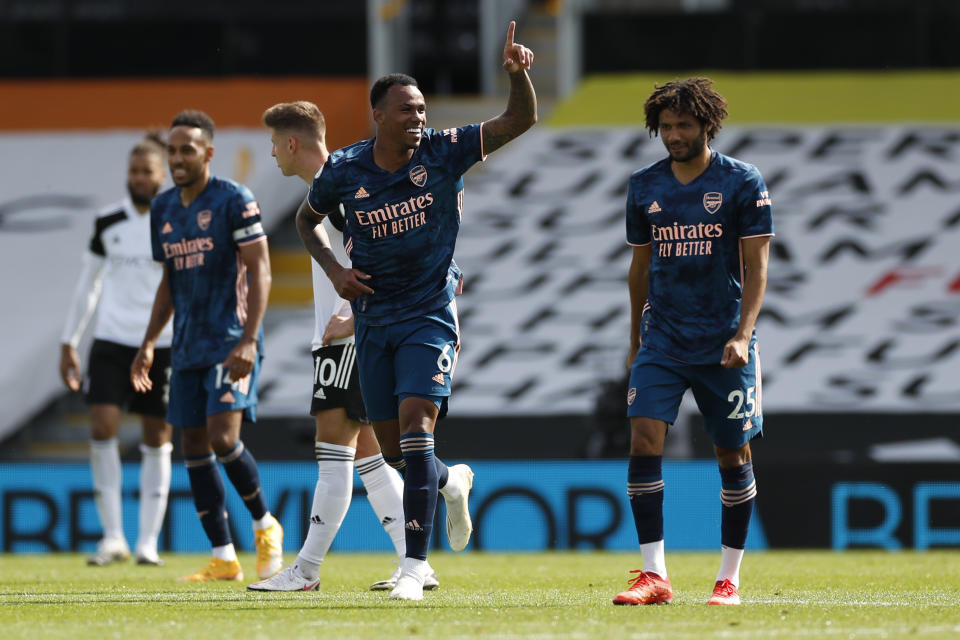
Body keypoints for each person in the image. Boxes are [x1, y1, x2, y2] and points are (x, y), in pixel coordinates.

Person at [297, 21, 537, 601]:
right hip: (374, 319)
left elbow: (519, 121)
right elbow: (307, 221)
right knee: (395, 447)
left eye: (423, 108)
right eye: (407, 110)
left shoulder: (444, 150)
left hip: (429, 313)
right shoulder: (345, 171)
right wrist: (335, 273)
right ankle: (452, 482)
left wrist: (518, 75)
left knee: (415, 429)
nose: (419, 118)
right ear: (378, 115)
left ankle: (414, 567)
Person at [248, 101, 438, 592]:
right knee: (369, 459)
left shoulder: (337, 188)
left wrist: (351, 316)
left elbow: (385, 255)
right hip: (351, 334)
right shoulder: (338, 183)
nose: (271, 154)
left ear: (293, 143)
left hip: (352, 336)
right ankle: (414, 560)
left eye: (273, 144)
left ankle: (307, 570)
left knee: (333, 454)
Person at [614, 77, 773, 607]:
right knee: (642, 438)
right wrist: (636, 339)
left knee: (732, 454)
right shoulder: (644, 185)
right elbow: (639, 269)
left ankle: (728, 578)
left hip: (724, 339)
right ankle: (653, 573)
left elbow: (757, 268)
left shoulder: (742, 181)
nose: (673, 135)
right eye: (665, 127)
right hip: (662, 338)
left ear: (707, 124)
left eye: (683, 125)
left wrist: (744, 335)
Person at [130, 109, 283, 583]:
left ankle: (265, 525)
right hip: (188, 345)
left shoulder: (234, 199)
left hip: (229, 340)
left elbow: (260, 269)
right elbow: (169, 282)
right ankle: (223, 557)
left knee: (222, 438)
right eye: (172, 151)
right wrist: (149, 342)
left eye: (187, 150)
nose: (177, 159)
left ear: (208, 153)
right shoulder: (163, 208)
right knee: (192, 444)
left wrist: (250, 338)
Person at [59, 132, 173, 567]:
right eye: (134, 171)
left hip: (162, 343)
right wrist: (69, 340)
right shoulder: (108, 222)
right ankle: (112, 537)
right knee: (102, 427)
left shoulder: (172, 221)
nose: (139, 178)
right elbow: (88, 285)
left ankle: (147, 541)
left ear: (161, 175)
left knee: (156, 436)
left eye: (147, 171)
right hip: (110, 341)